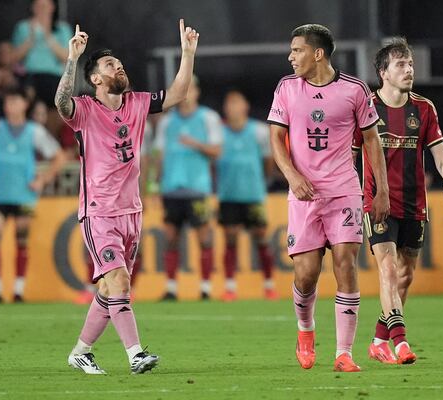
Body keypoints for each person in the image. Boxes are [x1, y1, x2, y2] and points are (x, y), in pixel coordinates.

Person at [56, 21, 198, 374]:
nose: (118, 67)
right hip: (98, 212)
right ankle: (136, 354)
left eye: (118, 63)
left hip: (131, 211)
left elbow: (177, 94)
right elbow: (61, 103)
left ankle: (81, 351)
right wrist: (73, 58)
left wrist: (188, 54)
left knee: (110, 287)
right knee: (118, 281)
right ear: (96, 80)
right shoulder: (85, 110)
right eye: (109, 65)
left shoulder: (137, 103)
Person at [268, 24, 390, 372]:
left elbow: (371, 141)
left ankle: (343, 353)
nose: (291, 57)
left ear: (317, 53)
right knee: (306, 275)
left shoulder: (354, 90)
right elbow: (276, 139)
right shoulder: (287, 88)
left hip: (344, 192)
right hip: (304, 195)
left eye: (297, 50)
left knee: (345, 265)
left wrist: (379, 190)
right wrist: (292, 176)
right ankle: (305, 331)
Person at [352, 37, 443, 365]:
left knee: (405, 276)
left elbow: (439, 153)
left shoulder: (424, 109)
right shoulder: (366, 107)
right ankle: (401, 342)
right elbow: (351, 156)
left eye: (410, 64)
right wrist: (352, 193)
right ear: (383, 72)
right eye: (401, 64)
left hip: (415, 203)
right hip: (378, 203)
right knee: (387, 268)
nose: (409, 69)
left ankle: (377, 341)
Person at [0, 87, 65, 303]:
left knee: (22, 240)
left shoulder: (35, 131)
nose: (10, 105)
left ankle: (18, 290)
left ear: (24, 104)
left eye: (15, 101)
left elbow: (58, 156)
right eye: (8, 102)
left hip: (24, 196)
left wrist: (42, 179)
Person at [154, 76, 222, 301]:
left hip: (198, 189)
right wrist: (155, 186)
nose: (185, 93)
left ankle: (205, 287)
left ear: (196, 92)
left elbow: (216, 151)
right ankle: (171, 287)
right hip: (171, 188)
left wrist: (195, 144)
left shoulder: (208, 118)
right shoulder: (166, 122)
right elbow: (159, 157)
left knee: (204, 238)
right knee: (171, 238)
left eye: (189, 88)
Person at [217, 89, 278, 302]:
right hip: (228, 195)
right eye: (229, 104)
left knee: (261, 239)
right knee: (230, 240)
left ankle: (269, 285)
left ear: (245, 107)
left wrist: (263, 181)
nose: (232, 107)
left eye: (236, 103)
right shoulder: (218, 132)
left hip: (253, 194)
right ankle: (230, 287)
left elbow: (268, 161)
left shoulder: (259, 131)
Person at [12, 0, 72, 136]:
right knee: (27, 113)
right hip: (30, 77)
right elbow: (14, 58)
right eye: (38, 6)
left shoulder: (62, 28)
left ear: (52, 7)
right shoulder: (23, 27)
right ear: (33, 7)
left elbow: (67, 57)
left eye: (45, 6)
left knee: (55, 117)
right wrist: (31, 38)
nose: (41, 9)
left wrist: (47, 34)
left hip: (54, 78)